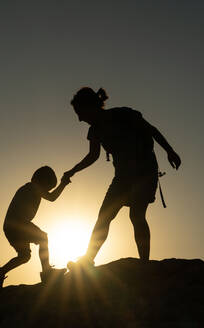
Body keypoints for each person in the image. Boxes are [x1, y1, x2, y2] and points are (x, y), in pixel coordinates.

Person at [64, 87, 181, 269]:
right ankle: (87, 260)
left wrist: (170, 150)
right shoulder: (94, 131)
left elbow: (151, 130)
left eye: (80, 112)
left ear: (90, 107)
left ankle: (144, 264)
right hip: (122, 178)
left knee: (136, 214)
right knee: (104, 217)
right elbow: (93, 156)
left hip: (145, 171)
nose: (79, 119)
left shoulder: (123, 114)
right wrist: (73, 170)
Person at [0, 166, 71, 290]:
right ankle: (47, 272)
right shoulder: (33, 187)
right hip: (18, 223)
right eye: (47, 187)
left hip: (10, 227)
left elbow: (49, 196)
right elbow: (52, 197)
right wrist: (63, 184)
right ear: (41, 181)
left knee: (24, 256)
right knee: (43, 238)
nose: (47, 191)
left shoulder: (28, 187)